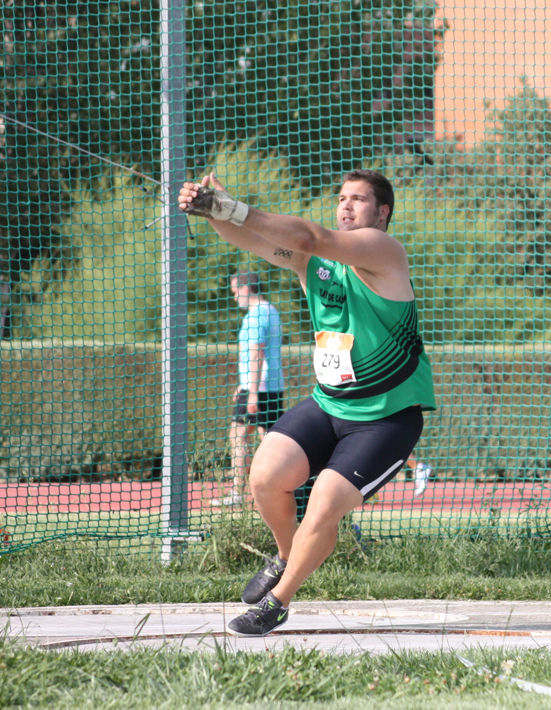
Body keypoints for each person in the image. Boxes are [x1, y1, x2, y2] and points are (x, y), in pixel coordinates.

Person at [179, 169, 436, 636]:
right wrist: (212, 210)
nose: (346, 205)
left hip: (386, 418)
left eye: (358, 199)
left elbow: (308, 236)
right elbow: (253, 240)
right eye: (341, 198)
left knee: (322, 506)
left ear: (382, 212)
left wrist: (234, 207)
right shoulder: (314, 263)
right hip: (329, 404)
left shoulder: (383, 251)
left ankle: (278, 601)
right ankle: (286, 555)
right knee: (264, 476)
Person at [213, 271, 286, 507]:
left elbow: (256, 354)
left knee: (238, 436)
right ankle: (277, 492)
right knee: (269, 440)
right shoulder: (271, 311)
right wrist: (244, 385)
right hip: (269, 386)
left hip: (260, 388)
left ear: (246, 289)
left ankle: (238, 493)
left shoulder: (256, 315)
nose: (235, 297)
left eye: (235, 292)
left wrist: (252, 392)